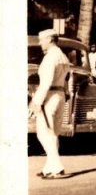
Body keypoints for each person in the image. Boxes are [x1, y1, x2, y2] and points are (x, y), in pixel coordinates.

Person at [28, 29, 70, 179]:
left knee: (44, 133)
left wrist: (36, 101)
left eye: (42, 40)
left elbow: (45, 82)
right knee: (53, 133)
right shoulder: (62, 56)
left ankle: (57, 168)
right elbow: (67, 79)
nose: (40, 43)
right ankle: (49, 168)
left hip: (50, 96)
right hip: (59, 95)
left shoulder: (50, 57)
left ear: (50, 40)